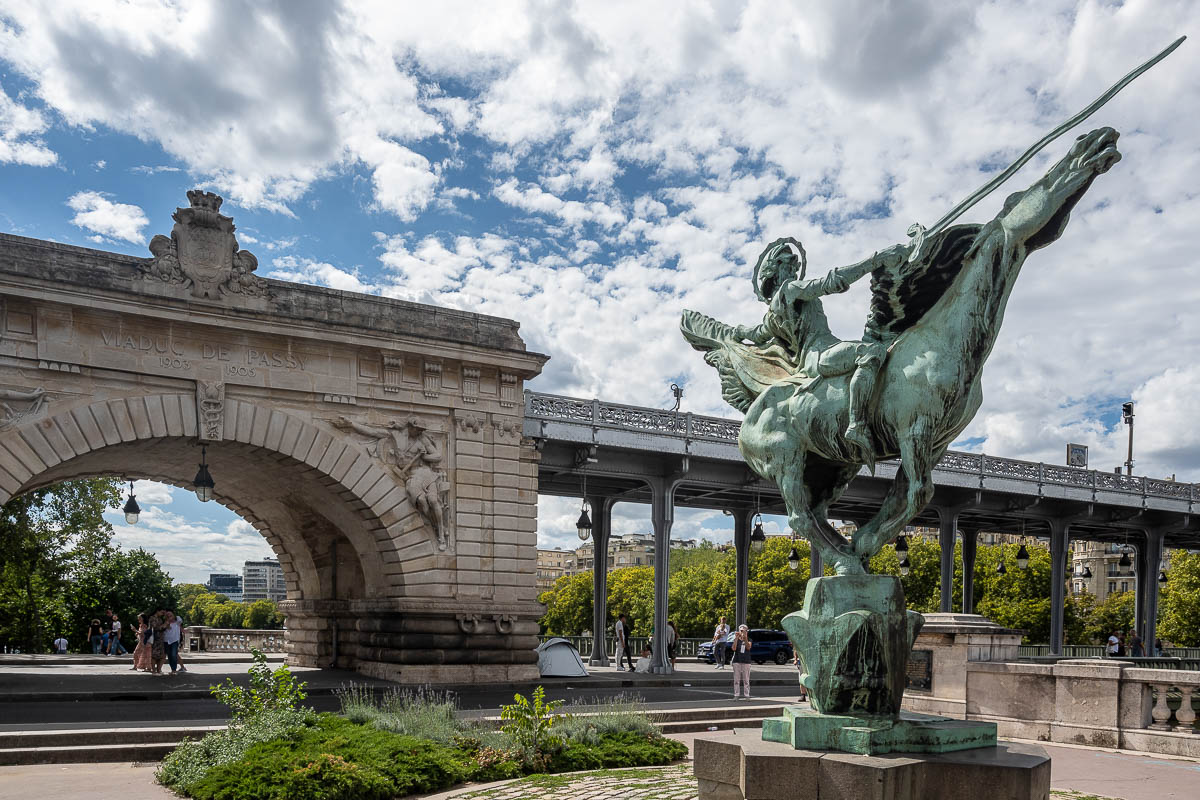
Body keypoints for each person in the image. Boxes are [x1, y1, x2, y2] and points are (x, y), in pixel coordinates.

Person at [731, 624, 753, 699]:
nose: (742, 632)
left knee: (746, 680)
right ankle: (736, 694)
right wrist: (736, 638)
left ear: (746, 631)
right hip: (737, 661)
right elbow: (733, 648)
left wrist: (745, 638)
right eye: (741, 631)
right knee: (736, 679)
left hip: (746, 661)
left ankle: (747, 695)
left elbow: (748, 647)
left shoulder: (749, 639)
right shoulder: (736, 639)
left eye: (744, 631)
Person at [149, 610, 167, 675]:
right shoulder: (152, 618)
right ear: (157, 611)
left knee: (161, 655)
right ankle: (153, 671)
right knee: (154, 655)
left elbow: (162, 629)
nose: (162, 614)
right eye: (162, 612)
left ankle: (158, 670)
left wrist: (164, 625)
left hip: (161, 639)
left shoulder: (160, 619)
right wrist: (164, 625)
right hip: (155, 639)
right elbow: (155, 628)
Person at [163, 611, 182, 675]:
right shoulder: (166, 622)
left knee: (174, 654)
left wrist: (170, 615)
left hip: (175, 640)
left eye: (170, 615)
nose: (169, 616)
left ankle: (174, 669)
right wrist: (167, 622)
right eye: (168, 615)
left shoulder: (177, 621)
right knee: (169, 656)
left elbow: (178, 618)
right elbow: (163, 628)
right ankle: (173, 670)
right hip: (166, 640)